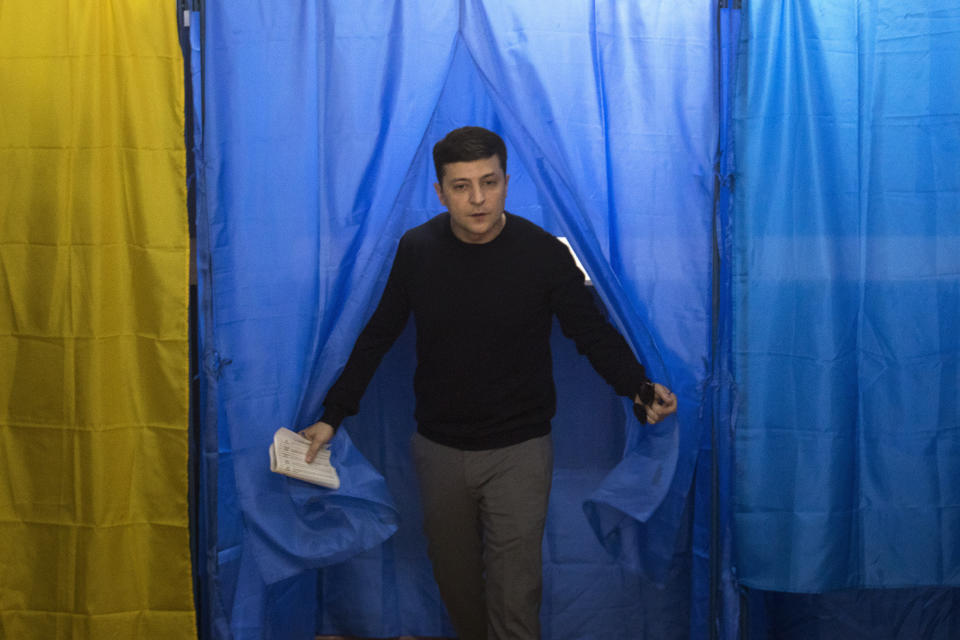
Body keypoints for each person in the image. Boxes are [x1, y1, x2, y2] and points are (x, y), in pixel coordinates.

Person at [300, 126, 677, 640]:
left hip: (520, 449)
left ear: (506, 182)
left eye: (489, 182)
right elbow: (377, 336)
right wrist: (331, 415)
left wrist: (637, 388)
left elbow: (590, 333)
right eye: (460, 186)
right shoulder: (417, 249)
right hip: (438, 448)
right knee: (456, 587)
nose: (477, 198)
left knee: (514, 596)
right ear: (439, 192)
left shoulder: (543, 252)